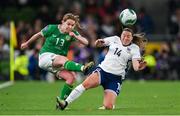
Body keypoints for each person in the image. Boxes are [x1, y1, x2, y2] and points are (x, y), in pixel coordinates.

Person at [57, 28, 147, 110]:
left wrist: (140, 66)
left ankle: (109, 104)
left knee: (108, 106)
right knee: (85, 84)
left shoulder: (134, 48)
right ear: (121, 35)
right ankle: (65, 103)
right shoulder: (115, 39)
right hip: (103, 71)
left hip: (115, 79)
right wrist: (98, 42)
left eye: (128, 36)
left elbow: (136, 67)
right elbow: (99, 44)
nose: (125, 38)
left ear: (132, 38)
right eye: (124, 35)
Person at [21, 13, 94, 103]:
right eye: (68, 24)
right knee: (63, 59)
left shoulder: (72, 33)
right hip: (45, 57)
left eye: (72, 25)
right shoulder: (52, 28)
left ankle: (61, 103)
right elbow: (38, 35)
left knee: (71, 77)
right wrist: (27, 43)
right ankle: (83, 68)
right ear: (62, 22)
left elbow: (86, 42)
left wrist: (75, 36)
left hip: (57, 62)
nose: (70, 27)